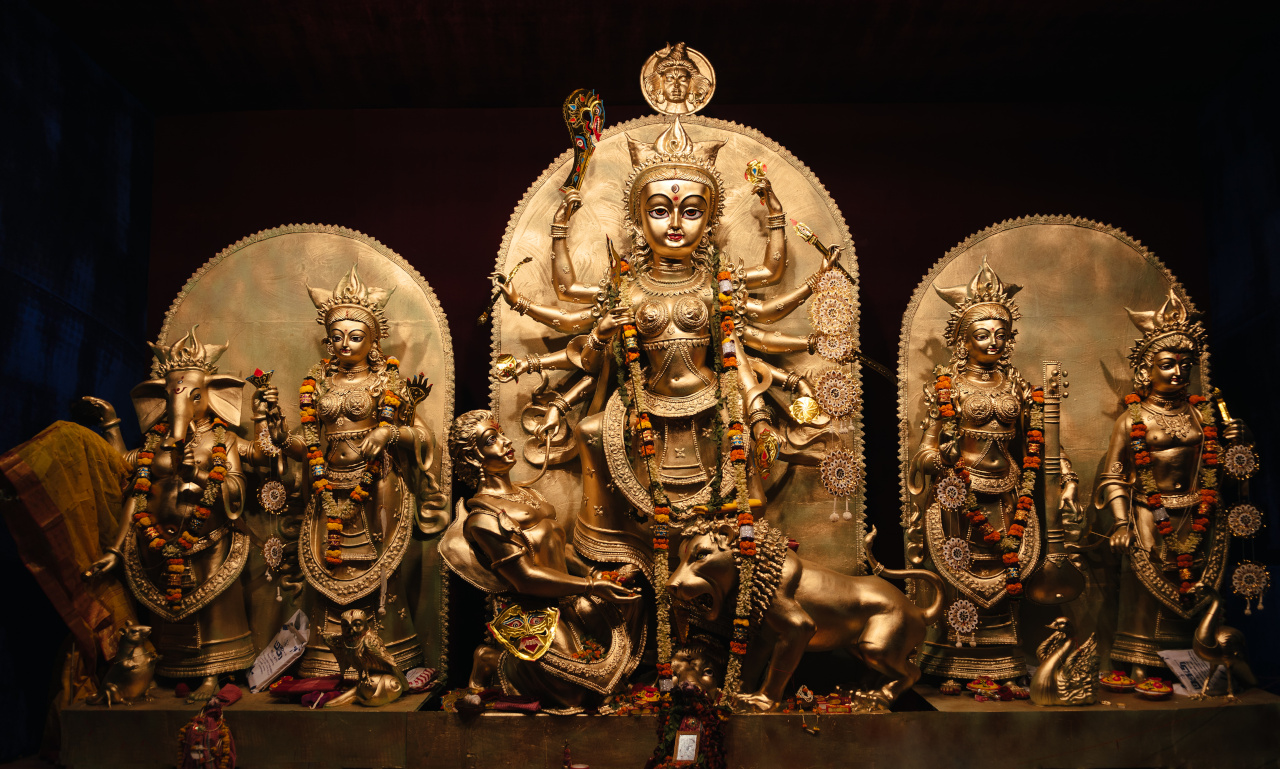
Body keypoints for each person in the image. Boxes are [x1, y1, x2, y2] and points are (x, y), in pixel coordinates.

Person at [258, 266, 446, 677]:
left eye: (356, 336)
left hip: (377, 484)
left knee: (378, 573)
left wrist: (390, 432)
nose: (346, 344)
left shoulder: (388, 384)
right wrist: (276, 431)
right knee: (328, 564)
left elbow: (422, 437)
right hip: (328, 488)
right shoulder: (318, 384)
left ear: (373, 340)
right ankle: (327, 655)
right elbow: (307, 446)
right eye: (338, 336)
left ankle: (386, 648)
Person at [906, 259, 1080, 681]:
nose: (993, 342)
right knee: (958, 571)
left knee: (1009, 567)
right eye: (982, 334)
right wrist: (940, 458)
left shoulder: (1017, 386)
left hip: (1008, 494)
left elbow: (1044, 443)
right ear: (963, 340)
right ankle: (951, 654)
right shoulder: (948, 387)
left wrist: (1068, 479)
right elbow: (924, 451)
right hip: (956, 497)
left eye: (1001, 335)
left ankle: (1005, 656)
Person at [440, 410, 642, 713]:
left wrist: (599, 575)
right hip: (530, 608)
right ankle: (492, 660)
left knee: (633, 603)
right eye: (492, 439)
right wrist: (591, 586)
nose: (507, 442)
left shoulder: (527, 493)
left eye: (501, 433)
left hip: (570, 597)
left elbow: (561, 549)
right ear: (473, 458)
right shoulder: (483, 519)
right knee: (571, 695)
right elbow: (526, 577)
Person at [1095, 289, 1249, 677]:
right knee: (1145, 591)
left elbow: (1228, 474)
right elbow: (1112, 475)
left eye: (1186, 364)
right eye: (1168, 364)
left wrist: (1240, 445)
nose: (1178, 372)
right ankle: (1141, 660)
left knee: (1200, 586)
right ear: (1146, 369)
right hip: (1150, 514)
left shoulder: (1205, 417)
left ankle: (1199, 657)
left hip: (1200, 513)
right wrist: (1118, 522)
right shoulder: (1131, 419)